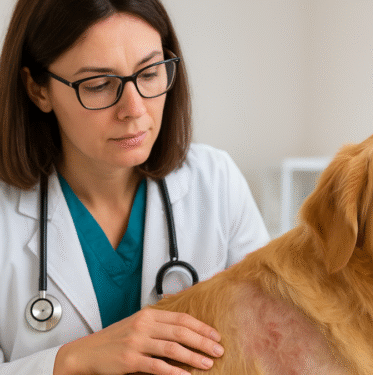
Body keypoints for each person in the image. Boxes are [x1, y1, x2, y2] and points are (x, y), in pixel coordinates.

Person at [0, 0, 270, 374]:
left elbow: (270, 340)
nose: (135, 108)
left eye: (149, 74)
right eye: (98, 84)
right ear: (38, 89)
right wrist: (71, 360)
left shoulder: (215, 182)